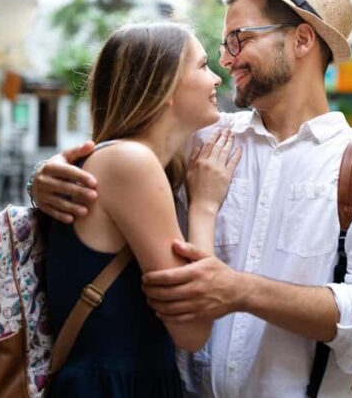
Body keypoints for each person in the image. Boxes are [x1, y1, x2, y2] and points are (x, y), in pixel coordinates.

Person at [30, 0, 352, 397]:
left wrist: (240, 291)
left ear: (302, 39)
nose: (226, 59)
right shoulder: (201, 137)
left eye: (240, 39)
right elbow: (116, 161)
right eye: (221, 45)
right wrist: (47, 178)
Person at [42, 22, 241, 397]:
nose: (216, 78)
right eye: (201, 66)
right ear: (163, 86)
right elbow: (192, 330)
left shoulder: (133, 161)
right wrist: (204, 207)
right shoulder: (130, 163)